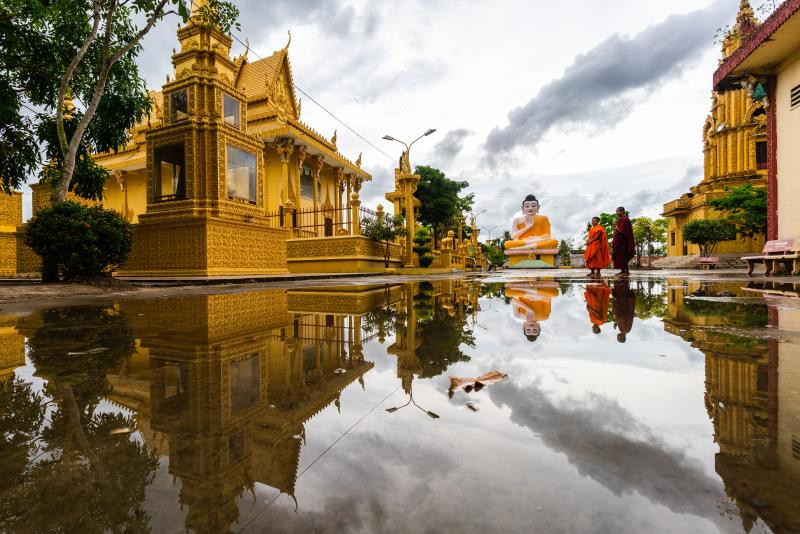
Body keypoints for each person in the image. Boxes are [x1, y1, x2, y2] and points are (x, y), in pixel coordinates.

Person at [612, 206, 635, 276]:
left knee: (622, 256)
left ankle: (625, 271)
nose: (616, 213)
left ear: (621, 211)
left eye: (617, 211)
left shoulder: (624, 219)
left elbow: (621, 231)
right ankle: (623, 270)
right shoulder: (624, 219)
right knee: (621, 256)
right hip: (623, 241)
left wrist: (615, 224)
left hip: (623, 242)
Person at [612, 279, 635, 343]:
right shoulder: (625, 330)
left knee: (621, 288)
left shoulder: (624, 330)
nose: (617, 336)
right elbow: (625, 316)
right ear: (622, 337)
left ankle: (623, 277)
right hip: (623, 304)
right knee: (622, 288)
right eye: (618, 337)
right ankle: (623, 275)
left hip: (621, 305)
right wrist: (616, 322)